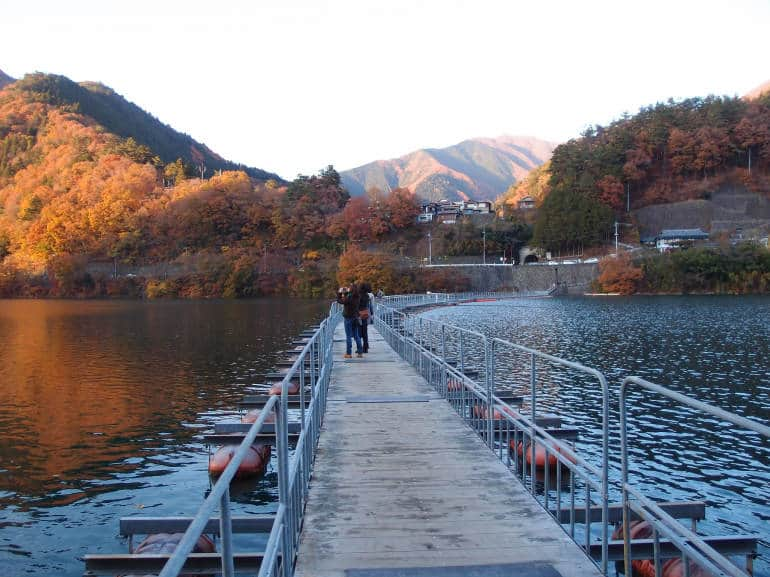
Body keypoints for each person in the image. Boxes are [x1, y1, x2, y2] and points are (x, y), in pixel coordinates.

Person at [337, 283, 363, 358]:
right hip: (355, 317)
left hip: (348, 318)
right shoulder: (358, 296)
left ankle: (348, 353)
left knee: (348, 336)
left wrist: (339, 293)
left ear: (351, 289)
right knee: (356, 335)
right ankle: (360, 352)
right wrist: (348, 292)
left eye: (349, 287)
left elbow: (340, 301)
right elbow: (350, 296)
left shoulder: (349, 297)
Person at [358, 282, 374, 353]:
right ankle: (366, 347)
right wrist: (372, 312)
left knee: (358, 332)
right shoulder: (367, 295)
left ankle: (360, 348)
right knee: (365, 331)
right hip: (365, 314)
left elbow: (356, 306)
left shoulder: (358, 296)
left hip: (359, 315)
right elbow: (370, 306)